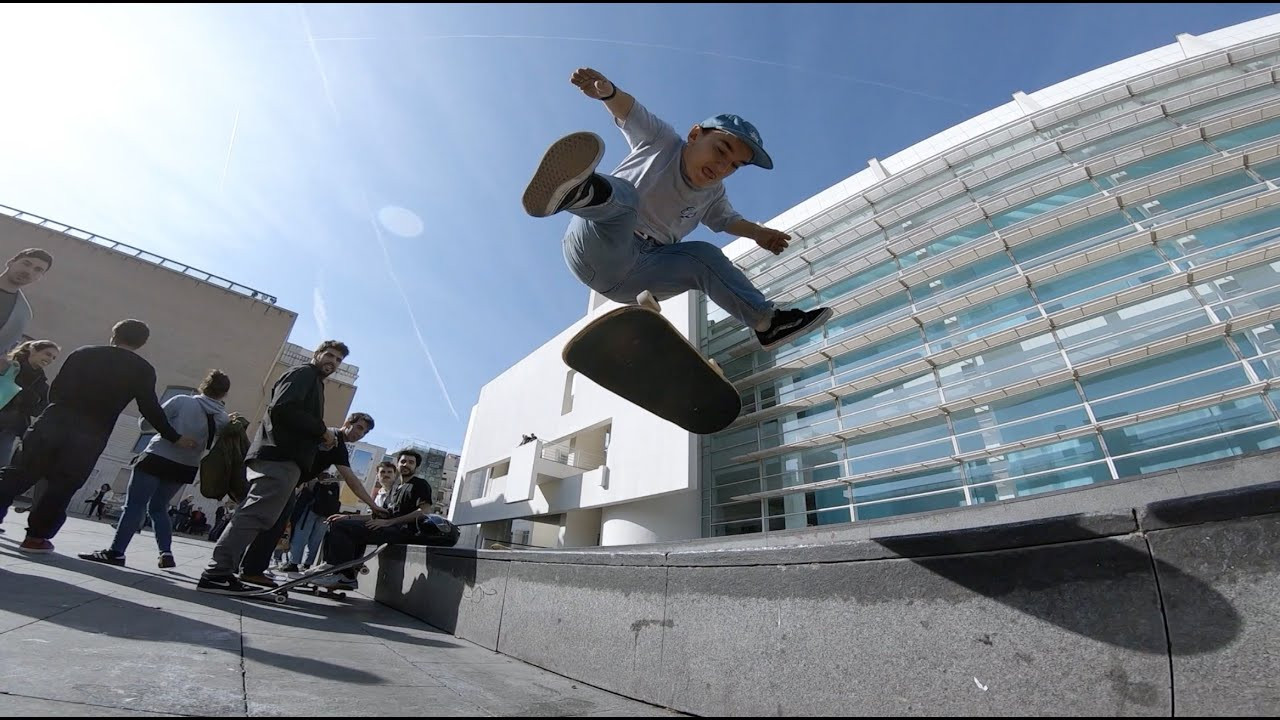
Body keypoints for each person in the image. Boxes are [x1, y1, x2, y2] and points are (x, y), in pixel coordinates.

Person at [521, 67, 832, 352]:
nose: (721, 166)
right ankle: (576, 193)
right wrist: (609, 93)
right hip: (597, 243)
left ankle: (768, 323)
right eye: (720, 150)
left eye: (734, 166)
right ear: (695, 135)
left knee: (704, 257)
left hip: (644, 274)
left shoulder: (713, 194)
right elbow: (631, 111)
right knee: (627, 199)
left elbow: (728, 220)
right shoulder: (661, 141)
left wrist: (758, 233)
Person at [0, 319, 197, 553]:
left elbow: (57, 389)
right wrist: (174, 436)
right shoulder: (142, 370)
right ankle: (35, 538)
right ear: (142, 343)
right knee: (63, 485)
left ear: (113, 335)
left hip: (54, 421)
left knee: (17, 473)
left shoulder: (83, 353)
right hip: (91, 434)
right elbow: (150, 408)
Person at [197, 340, 349, 595]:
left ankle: (246, 570)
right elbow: (282, 408)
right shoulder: (303, 373)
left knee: (269, 517)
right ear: (317, 354)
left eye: (338, 360)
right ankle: (217, 573)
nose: (332, 362)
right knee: (255, 513)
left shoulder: (314, 381)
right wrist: (321, 429)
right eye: (329, 355)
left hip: (287, 460)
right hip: (279, 457)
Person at [78, 369, 232, 568]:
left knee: (134, 505)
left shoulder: (182, 401)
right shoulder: (223, 418)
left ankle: (116, 551)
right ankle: (165, 552)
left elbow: (146, 425)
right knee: (159, 508)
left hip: (158, 456)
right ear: (224, 393)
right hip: (186, 466)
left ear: (204, 385)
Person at [235, 411, 385, 587]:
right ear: (348, 423)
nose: (360, 434)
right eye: (359, 427)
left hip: (289, 483)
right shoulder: (331, 436)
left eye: (365, 433)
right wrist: (373, 505)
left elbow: (350, 478)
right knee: (259, 521)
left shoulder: (339, 446)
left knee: (273, 526)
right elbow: (352, 481)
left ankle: (250, 569)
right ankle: (239, 567)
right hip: (281, 477)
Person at [313, 449, 460, 592]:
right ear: (397, 464)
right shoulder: (396, 490)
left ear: (416, 466)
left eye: (410, 462)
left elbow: (424, 511)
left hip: (404, 531)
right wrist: (348, 516)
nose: (406, 464)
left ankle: (341, 572)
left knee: (343, 528)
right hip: (390, 528)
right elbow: (379, 515)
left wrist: (390, 522)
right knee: (339, 523)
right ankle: (341, 571)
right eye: (403, 461)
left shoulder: (420, 484)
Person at [0, 340, 59, 466]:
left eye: (54, 358)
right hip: (5, 417)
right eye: (47, 354)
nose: (50, 360)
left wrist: (30, 401)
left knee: (2, 462)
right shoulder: (8, 366)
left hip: (9, 427)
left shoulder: (42, 384)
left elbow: (40, 409)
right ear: (33, 350)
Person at [0, 249, 53, 354]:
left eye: (38, 270)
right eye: (26, 264)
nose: (28, 271)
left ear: (40, 277)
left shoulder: (23, 313)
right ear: (10, 262)